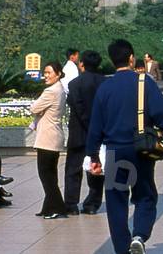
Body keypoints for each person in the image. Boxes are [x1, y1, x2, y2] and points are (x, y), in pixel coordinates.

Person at [88, 39, 163, 254]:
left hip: (115, 152)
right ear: (131, 58)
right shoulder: (144, 83)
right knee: (145, 195)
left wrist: (93, 156)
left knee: (116, 201)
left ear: (112, 60)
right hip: (141, 150)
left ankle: (121, 248)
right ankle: (139, 235)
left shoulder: (104, 88)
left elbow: (95, 126)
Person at [65, 49, 106, 216]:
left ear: (81, 64)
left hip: (78, 133)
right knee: (96, 169)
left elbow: (77, 107)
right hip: (99, 133)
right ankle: (92, 204)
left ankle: (71, 204)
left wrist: (88, 125)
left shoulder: (74, 84)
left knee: (73, 169)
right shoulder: (105, 83)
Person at [31, 61, 68, 219]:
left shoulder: (51, 91)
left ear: (58, 73)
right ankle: (49, 207)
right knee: (50, 175)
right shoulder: (60, 89)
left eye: (49, 72)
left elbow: (34, 108)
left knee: (46, 175)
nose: (46, 75)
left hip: (47, 138)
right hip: (54, 137)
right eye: (45, 72)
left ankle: (57, 208)